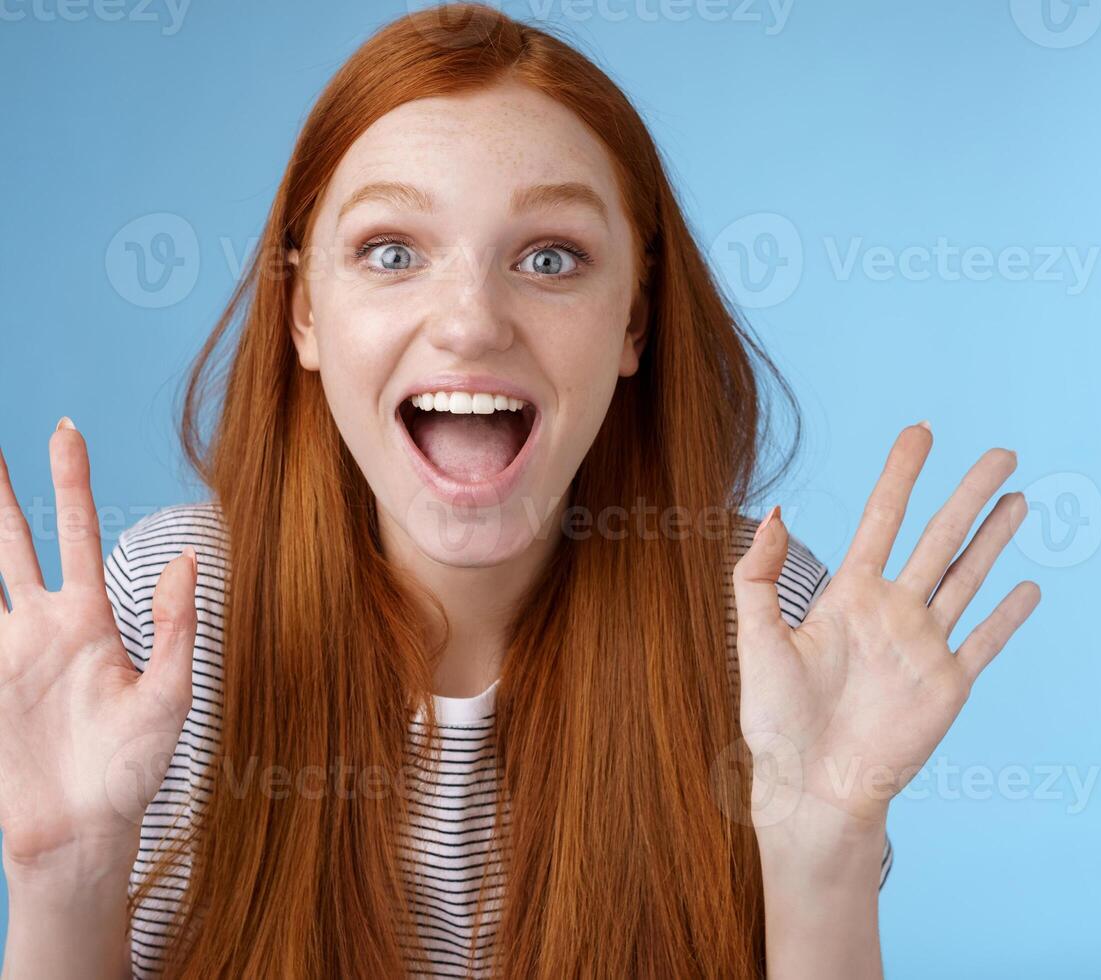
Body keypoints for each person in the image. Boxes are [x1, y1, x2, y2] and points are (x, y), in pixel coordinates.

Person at [0, 5, 1040, 976]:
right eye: (391, 249)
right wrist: (61, 877)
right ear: (304, 316)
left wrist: (829, 851)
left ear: (634, 323)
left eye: (550, 256)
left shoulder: (761, 627)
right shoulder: (171, 613)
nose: (470, 321)